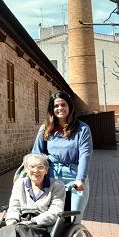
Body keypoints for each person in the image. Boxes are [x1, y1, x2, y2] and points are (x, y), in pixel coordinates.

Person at [32, 90, 92, 222]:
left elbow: (84, 155)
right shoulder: (46, 129)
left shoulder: (82, 129)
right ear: (51, 109)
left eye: (63, 105)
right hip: (51, 177)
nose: (60, 108)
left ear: (70, 106)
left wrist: (80, 179)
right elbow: (36, 154)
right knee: (49, 219)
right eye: (56, 106)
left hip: (74, 177)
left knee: (73, 221)